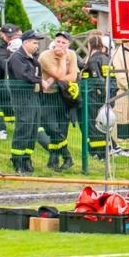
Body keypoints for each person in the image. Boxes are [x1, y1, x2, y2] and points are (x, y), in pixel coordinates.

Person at [37, 31, 80, 172]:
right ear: (54, 42)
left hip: (62, 95)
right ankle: (67, 157)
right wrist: (62, 60)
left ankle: (53, 161)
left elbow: (73, 76)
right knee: (51, 127)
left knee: (62, 128)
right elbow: (60, 75)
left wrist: (57, 78)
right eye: (58, 41)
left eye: (64, 42)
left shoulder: (72, 54)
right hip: (47, 95)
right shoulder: (45, 56)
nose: (60, 45)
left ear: (68, 44)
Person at [4, 30, 43, 174]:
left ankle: (27, 158)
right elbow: (25, 75)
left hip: (33, 97)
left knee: (33, 128)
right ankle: (17, 159)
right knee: (24, 127)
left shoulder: (32, 58)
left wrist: (38, 80)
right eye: (34, 42)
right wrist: (40, 81)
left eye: (37, 43)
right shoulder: (17, 58)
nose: (36, 46)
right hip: (22, 98)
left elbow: (37, 72)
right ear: (25, 42)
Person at [81, 39, 115, 160]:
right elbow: (112, 79)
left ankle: (99, 153)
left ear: (90, 45)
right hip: (108, 96)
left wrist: (101, 93)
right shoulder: (108, 60)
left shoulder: (94, 59)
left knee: (93, 125)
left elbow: (97, 79)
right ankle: (105, 151)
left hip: (94, 96)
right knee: (104, 125)